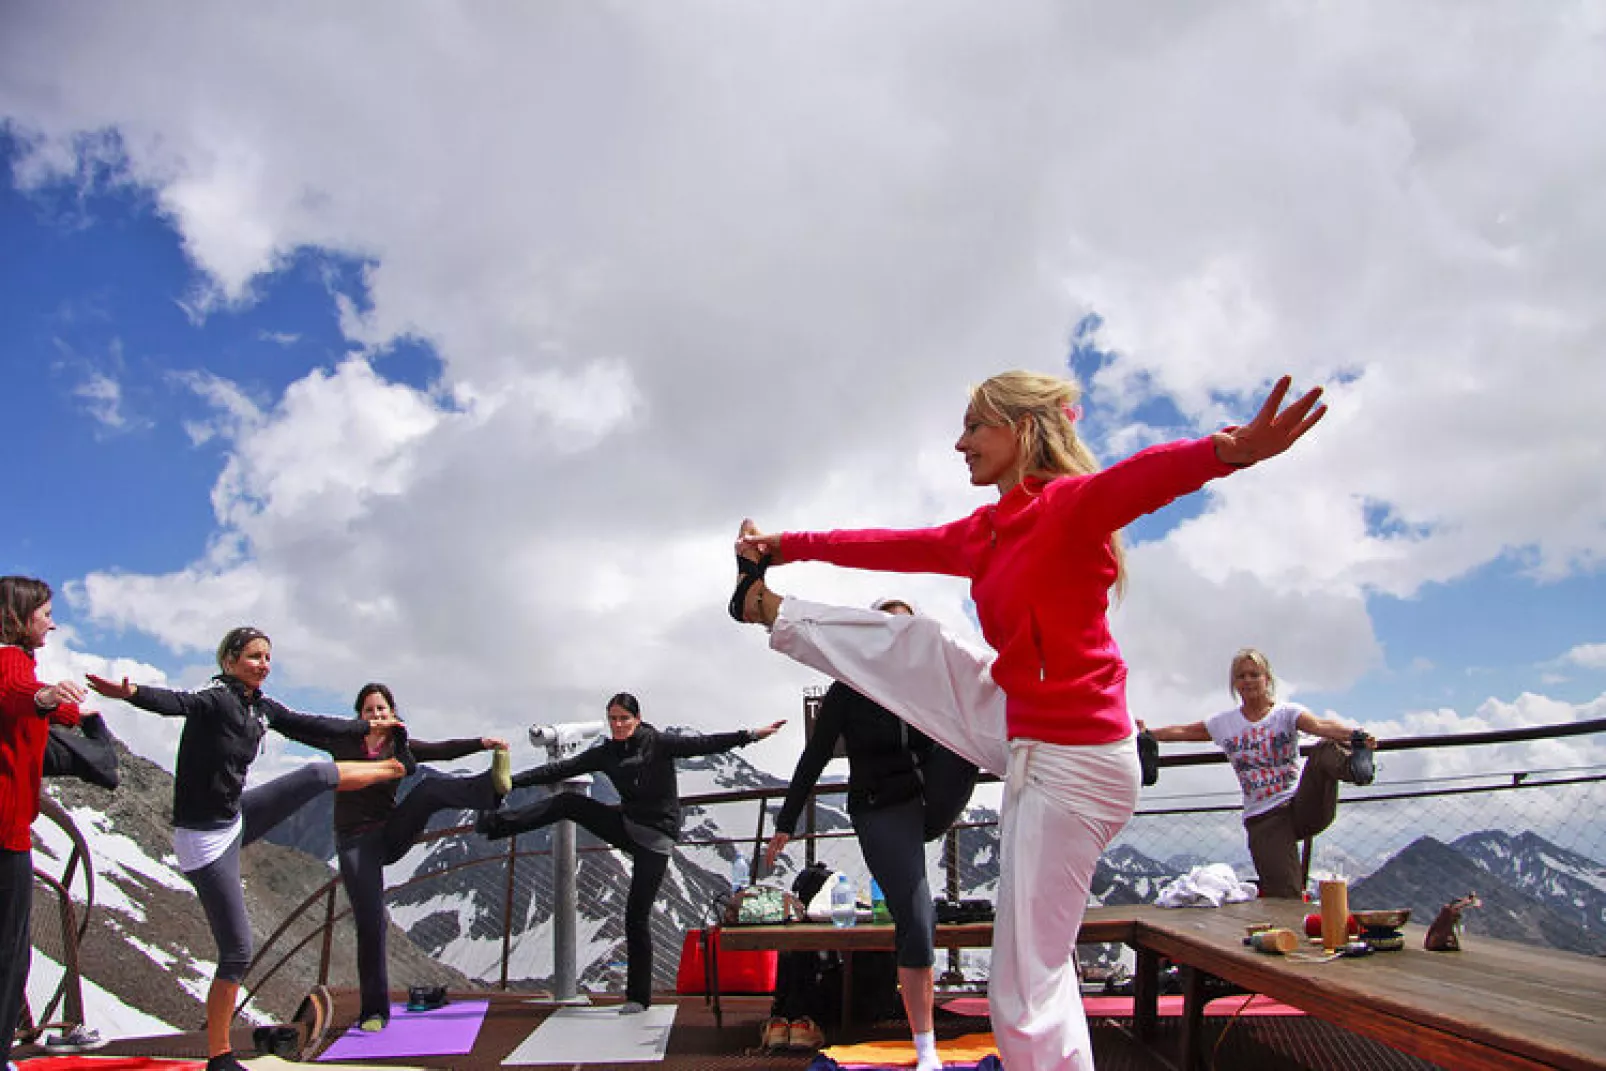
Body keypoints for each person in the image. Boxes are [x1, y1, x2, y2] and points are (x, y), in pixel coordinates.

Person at [728, 371, 1326, 1071]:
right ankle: (767, 606)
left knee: (1023, 983)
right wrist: (785, 546)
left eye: (975, 426)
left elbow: (1144, 478)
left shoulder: (1068, 506)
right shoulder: (984, 532)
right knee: (921, 644)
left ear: (1020, 429)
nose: (961, 442)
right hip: (1021, 723)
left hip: (1075, 760)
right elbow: (889, 543)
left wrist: (1233, 449)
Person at [87, 628, 407, 1071]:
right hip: (204, 841)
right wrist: (132, 693)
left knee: (315, 775)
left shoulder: (260, 707)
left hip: (235, 818)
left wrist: (366, 728)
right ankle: (219, 1055)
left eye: (268, 658)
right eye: (255, 657)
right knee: (237, 951)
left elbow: (309, 724)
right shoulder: (216, 697)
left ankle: (389, 770)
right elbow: (178, 702)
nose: (264, 665)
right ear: (231, 660)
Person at [764, 597, 979, 1071]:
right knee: (918, 919)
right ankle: (926, 1050)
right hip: (884, 808)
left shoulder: (928, 680)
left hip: (931, 796)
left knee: (979, 727)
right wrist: (785, 824)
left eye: (909, 629)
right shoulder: (850, 687)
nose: (899, 637)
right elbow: (814, 757)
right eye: (889, 628)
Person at [475, 692, 784, 1014]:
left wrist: (750, 735)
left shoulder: (659, 743)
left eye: (624, 718)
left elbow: (706, 744)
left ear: (637, 718)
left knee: (636, 917)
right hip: (626, 826)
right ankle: (495, 826)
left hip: (656, 840)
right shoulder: (606, 753)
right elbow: (560, 769)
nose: (618, 724)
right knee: (568, 802)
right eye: (613, 719)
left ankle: (638, 997)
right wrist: (509, 782)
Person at [311, 682, 512, 1032]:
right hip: (355, 845)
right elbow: (302, 727)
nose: (376, 716)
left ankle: (490, 790)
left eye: (382, 710)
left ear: (393, 715)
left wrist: (483, 743)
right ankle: (374, 1011)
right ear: (360, 716)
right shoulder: (343, 743)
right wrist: (263, 714)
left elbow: (443, 750)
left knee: (429, 790)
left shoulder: (398, 747)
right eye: (369, 710)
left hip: (388, 834)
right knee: (372, 925)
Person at [1138, 647, 1376, 899]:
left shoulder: (1286, 713)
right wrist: (1149, 734)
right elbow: (1185, 731)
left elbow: (1320, 726)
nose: (1248, 681)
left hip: (1300, 804)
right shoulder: (1225, 723)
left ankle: (1356, 767)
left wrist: (1355, 736)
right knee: (1284, 896)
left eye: (1254, 674)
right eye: (1241, 676)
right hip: (1264, 819)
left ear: (1267, 679)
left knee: (1324, 750)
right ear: (1234, 684)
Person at [2, 577, 92, 1071]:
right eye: (45, 615)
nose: (52, 623)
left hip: (10, 831)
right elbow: (19, 693)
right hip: (3, 834)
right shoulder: (9, 661)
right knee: (8, 956)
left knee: (12, 954)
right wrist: (46, 698)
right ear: (19, 616)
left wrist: (73, 711)